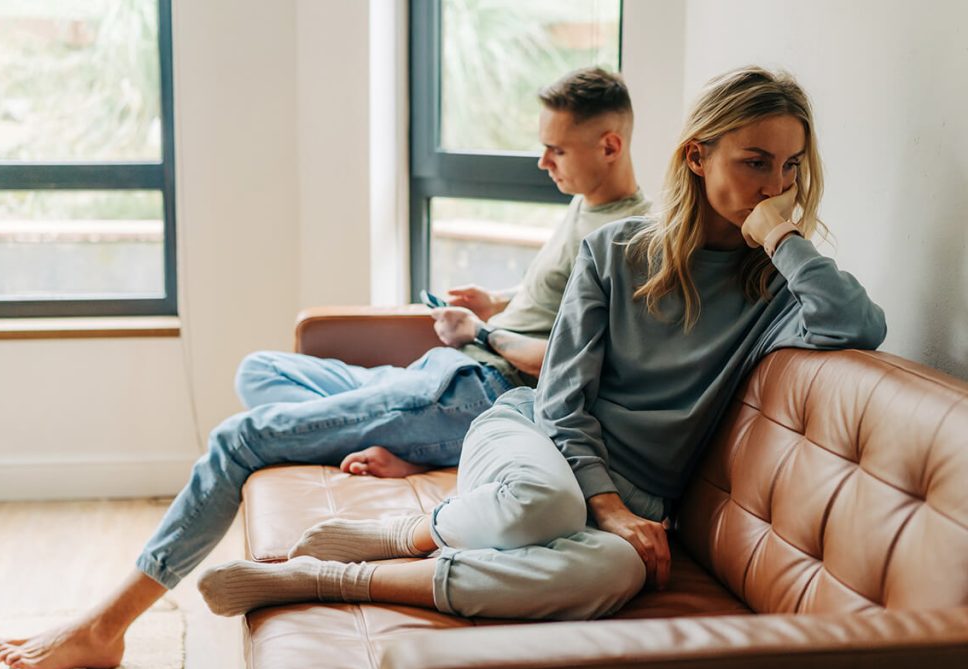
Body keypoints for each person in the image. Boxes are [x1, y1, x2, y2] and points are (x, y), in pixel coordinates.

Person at [0, 67, 651, 669]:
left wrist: (485, 333)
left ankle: (108, 623)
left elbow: (575, 365)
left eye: (556, 150)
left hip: (479, 392)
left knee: (240, 438)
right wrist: (498, 302)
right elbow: (558, 305)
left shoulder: (628, 239)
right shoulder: (585, 204)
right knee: (261, 368)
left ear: (610, 146)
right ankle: (407, 442)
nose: (543, 161)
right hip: (447, 371)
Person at [193, 66, 887, 622]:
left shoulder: (773, 287)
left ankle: (339, 578)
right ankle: (417, 530)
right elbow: (559, 400)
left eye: (791, 167)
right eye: (757, 162)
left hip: (636, 496)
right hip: (537, 440)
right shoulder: (615, 251)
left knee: (620, 570)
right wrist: (607, 506)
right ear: (697, 158)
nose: (776, 187)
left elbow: (855, 324)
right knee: (547, 504)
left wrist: (784, 238)